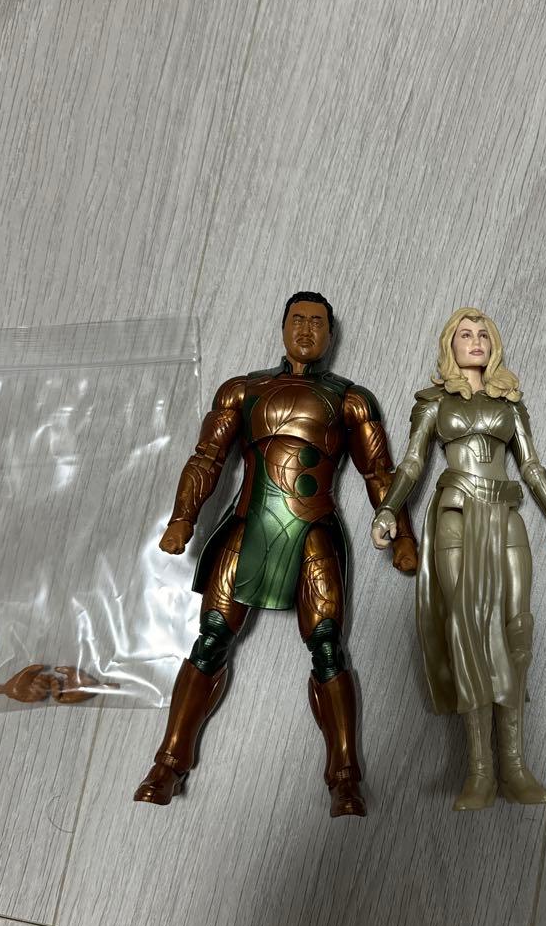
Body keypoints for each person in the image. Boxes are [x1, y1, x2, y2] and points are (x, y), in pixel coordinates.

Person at [135, 292, 417, 816]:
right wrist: (182, 519)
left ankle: (345, 777)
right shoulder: (243, 391)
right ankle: (168, 762)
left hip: (314, 530)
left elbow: (379, 474)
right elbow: (206, 458)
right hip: (248, 524)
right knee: (211, 638)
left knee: (328, 646)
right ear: (283, 327)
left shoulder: (352, 400)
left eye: (317, 323)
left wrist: (403, 536)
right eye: (298, 320)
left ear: (330, 335)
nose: (307, 330)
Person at [372, 307, 546, 810]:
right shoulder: (434, 402)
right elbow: (413, 462)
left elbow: (531, 465)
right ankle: (480, 771)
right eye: (465, 334)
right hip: (457, 518)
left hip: (505, 516)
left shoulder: (510, 403)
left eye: (483, 333)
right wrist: (388, 510)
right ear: (451, 344)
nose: (476, 340)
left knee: (517, 630)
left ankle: (516, 765)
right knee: (467, 630)